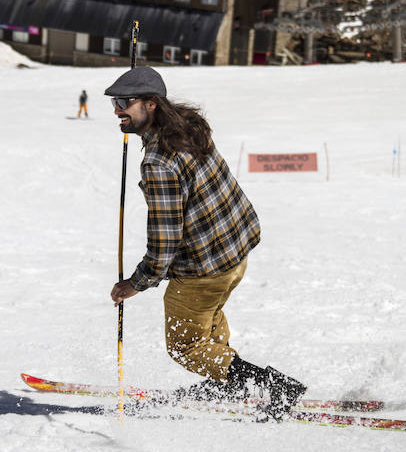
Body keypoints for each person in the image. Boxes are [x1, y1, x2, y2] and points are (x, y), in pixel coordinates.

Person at [105, 66, 306, 420]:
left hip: (203, 268)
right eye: (115, 102)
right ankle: (227, 379)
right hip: (235, 249)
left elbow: (165, 242)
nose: (117, 110)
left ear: (151, 104)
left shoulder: (158, 162)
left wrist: (135, 284)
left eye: (124, 102)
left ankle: (273, 386)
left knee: (186, 345)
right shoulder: (188, 127)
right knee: (208, 318)